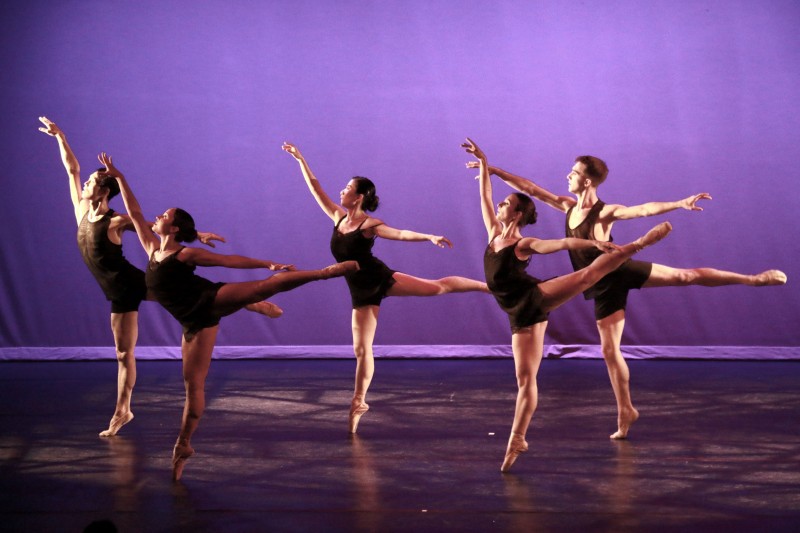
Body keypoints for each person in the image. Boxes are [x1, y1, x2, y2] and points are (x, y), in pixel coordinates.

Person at [472, 154, 787, 440]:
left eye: (574, 172)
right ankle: (626, 412)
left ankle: (753, 279)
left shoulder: (604, 213)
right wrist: (493, 169)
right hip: (601, 289)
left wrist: (679, 203)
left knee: (685, 275)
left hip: (618, 270)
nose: (568, 175)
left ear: (588, 180)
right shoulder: (567, 207)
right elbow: (531, 188)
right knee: (610, 352)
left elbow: (644, 209)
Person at [100, 152, 358, 480]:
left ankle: (323, 273)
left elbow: (230, 262)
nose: (158, 215)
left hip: (210, 301)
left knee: (265, 286)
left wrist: (266, 263)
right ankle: (184, 445)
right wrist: (119, 176)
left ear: (174, 227)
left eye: (165, 214)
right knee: (193, 386)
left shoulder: (186, 253)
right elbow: (135, 211)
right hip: (192, 323)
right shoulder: (152, 247)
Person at [463, 138, 672, 472]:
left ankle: (636, 245)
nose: (499, 206)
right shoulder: (492, 232)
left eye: (506, 204)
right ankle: (520, 438)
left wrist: (591, 241)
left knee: (588, 276)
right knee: (524, 379)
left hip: (535, 299)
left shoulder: (523, 243)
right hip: (516, 314)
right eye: (501, 203)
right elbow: (484, 195)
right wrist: (486, 163)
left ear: (516, 213)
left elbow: (560, 242)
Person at [282, 142, 490, 433]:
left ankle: (485, 287)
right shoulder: (338, 216)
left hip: (379, 278)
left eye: (347, 187)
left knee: (437, 288)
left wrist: (428, 236)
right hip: (359, 290)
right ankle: (359, 402)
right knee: (361, 349)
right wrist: (301, 159)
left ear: (360, 195)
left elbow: (400, 234)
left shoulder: (369, 224)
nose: (341, 191)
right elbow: (316, 189)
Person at [39, 116, 225, 438]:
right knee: (124, 353)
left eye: (91, 183)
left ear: (103, 191)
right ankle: (123, 410)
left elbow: (152, 225)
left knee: (182, 291)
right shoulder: (82, 211)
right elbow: (72, 169)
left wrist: (197, 234)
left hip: (129, 283)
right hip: (118, 293)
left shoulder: (114, 221)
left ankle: (248, 301)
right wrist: (60, 137)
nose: (84, 185)